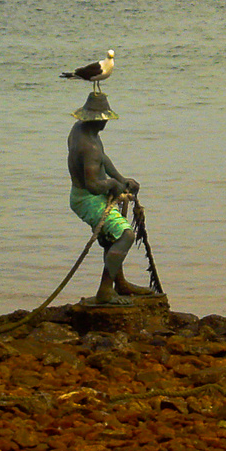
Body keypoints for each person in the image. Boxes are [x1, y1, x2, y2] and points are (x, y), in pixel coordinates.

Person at [67, 91, 152, 305]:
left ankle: (119, 282)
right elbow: (94, 186)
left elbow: (102, 159)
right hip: (87, 198)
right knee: (126, 236)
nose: (106, 122)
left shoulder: (80, 130)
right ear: (99, 119)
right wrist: (114, 185)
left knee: (112, 235)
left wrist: (120, 178)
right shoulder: (89, 147)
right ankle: (105, 290)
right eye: (104, 118)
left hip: (83, 192)